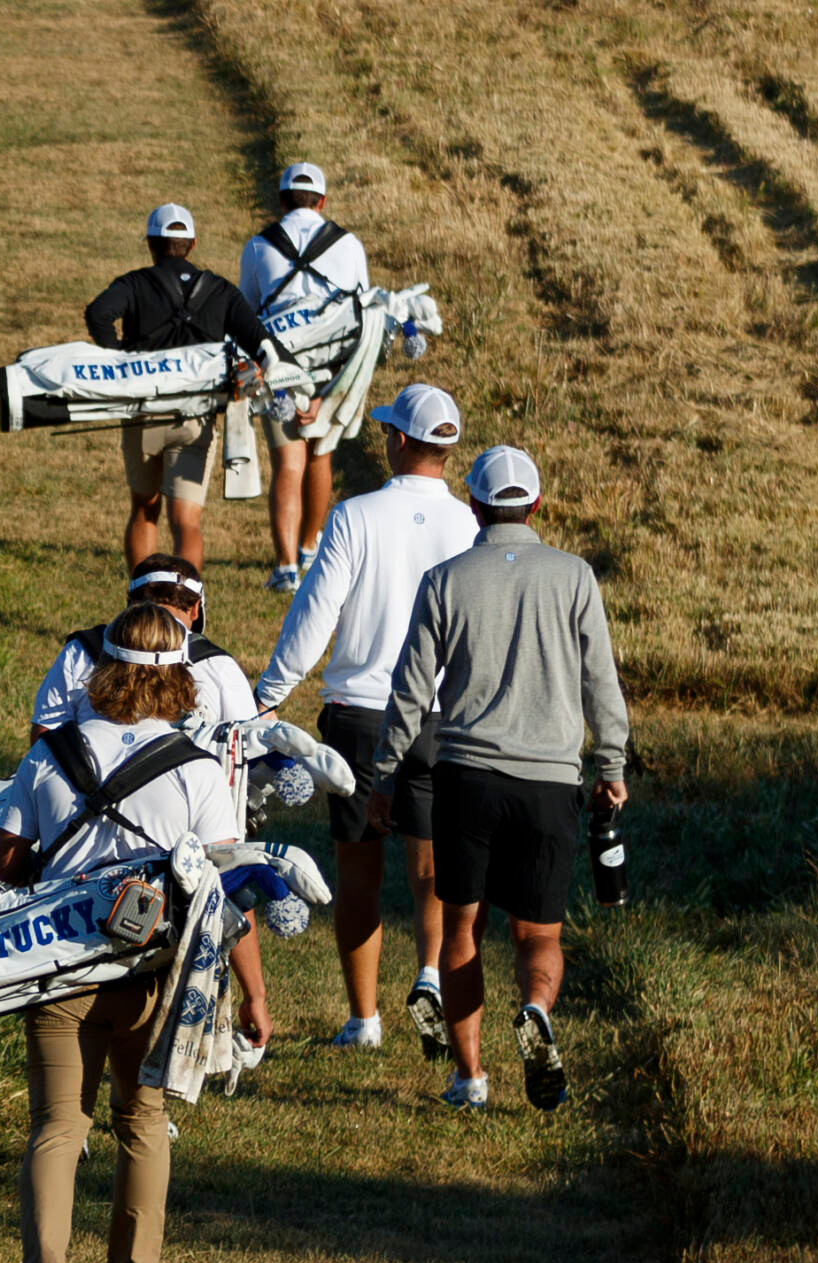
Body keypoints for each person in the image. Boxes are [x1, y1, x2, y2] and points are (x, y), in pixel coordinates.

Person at [0, 604, 266, 1263]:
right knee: (141, 1120)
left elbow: (7, 863)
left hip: (58, 967)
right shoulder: (199, 771)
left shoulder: (51, 754)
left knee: (56, 1125)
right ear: (181, 677)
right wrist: (255, 992)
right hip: (152, 975)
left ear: (103, 670)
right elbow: (226, 891)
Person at [370, 446, 630, 1111]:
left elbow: (409, 691)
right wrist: (612, 765)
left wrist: (385, 771)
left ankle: (470, 1079)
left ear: (476, 505)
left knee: (462, 930)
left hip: (466, 778)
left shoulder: (444, 580)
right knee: (538, 935)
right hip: (548, 781)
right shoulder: (574, 577)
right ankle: (537, 1010)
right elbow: (602, 679)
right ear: (536, 505)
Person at [251, 384, 476, 1055]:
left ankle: (364, 1017)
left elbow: (313, 617)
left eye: (388, 433)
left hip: (358, 713)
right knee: (430, 857)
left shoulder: (354, 517)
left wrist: (269, 692)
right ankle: (431, 972)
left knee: (359, 867)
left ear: (402, 441)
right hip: (439, 713)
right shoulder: (469, 525)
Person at [85, 204, 272, 571]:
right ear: (193, 244)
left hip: (143, 413)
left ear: (151, 245)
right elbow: (261, 343)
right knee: (186, 521)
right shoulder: (220, 290)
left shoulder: (134, 284)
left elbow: (98, 313)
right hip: (196, 420)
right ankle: (184, 604)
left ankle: (143, 599)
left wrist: (118, 357)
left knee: (144, 509)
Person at [239, 163, 371, 593]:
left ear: (280, 200)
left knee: (287, 464)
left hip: (279, 365)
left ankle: (285, 567)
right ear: (323, 201)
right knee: (321, 456)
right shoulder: (349, 244)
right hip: (333, 366)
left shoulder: (259, 246)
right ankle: (311, 546)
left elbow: (246, 311)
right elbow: (361, 309)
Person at [30, 553, 259, 738]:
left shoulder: (80, 652)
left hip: (88, 792)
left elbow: (45, 734)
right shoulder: (219, 666)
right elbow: (248, 748)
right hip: (185, 791)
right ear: (196, 608)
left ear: (129, 603)